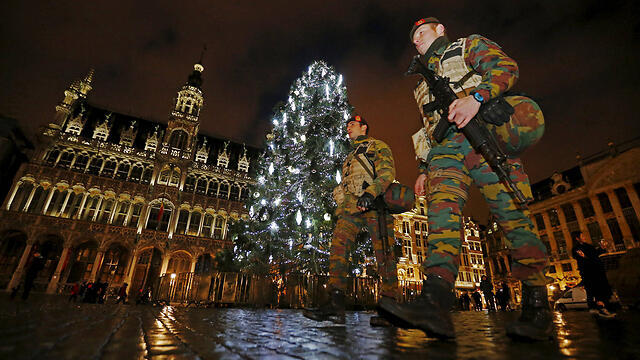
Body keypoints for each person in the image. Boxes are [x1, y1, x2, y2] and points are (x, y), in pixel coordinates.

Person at [380, 17, 550, 340]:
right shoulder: (420, 84)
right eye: (413, 38)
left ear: (440, 29)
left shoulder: (466, 46)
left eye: (421, 33)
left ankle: (537, 304)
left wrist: (477, 98)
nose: (416, 41)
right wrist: (423, 167)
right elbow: (428, 126)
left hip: (483, 135)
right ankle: (435, 301)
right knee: (440, 216)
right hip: (444, 150)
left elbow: (505, 68)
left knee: (510, 214)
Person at [303, 115, 399, 326]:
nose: (348, 128)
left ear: (364, 127)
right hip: (351, 208)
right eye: (347, 125)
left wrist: (371, 193)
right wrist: (339, 196)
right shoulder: (349, 157)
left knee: (384, 252)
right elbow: (347, 183)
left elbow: (387, 172)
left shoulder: (377, 146)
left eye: (352, 125)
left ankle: (390, 308)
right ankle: (335, 304)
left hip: (376, 205)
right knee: (338, 247)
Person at [571, 231, 616, 318]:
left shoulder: (588, 246)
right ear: (577, 238)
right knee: (597, 291)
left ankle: (600, 308)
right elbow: (584, 259)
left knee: (602, 290)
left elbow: (595, 254)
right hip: (590, 273)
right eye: (582, 235)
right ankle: (600, 308)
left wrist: (602, 248)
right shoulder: (576, 249)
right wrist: (587, 258)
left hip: (598, 271)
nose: (584, 237)